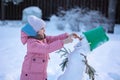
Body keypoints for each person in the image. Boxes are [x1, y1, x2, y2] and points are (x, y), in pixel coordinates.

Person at [20, 15, 81, 80]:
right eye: (42, 28)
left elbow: (54, 38)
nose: (44, 30)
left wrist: (67, 36)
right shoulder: (32, 43)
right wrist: (63, 42)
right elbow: (47, 48)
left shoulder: (42, 39)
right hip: (30, 75)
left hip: (40, 74)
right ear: (36, 31)